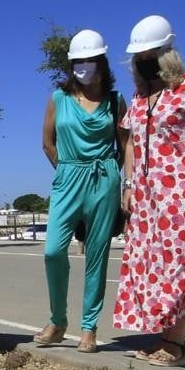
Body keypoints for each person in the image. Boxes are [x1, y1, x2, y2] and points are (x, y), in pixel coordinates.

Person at [113, 15, 185, 367]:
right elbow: (128, 144)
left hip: (184, 192)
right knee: (152, 266)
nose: (144, 62)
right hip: (146, 197)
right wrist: (127, 185)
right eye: (139, 57)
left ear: (167, 53)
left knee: (182, 265)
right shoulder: (140, 97)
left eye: (150, 55)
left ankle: (177, 344)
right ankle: (165, 339)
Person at [34, 30, 127, 353]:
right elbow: (48, 142)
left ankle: (89, 328)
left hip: (104, 177)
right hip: (68, 176)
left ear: (101, 62)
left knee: (97, 254)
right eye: (78, 61)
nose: (84, 66)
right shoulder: (58, 99)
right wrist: (64, 168)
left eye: (89, 60)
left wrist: (121, 182)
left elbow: (125, 145)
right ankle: (58, 320)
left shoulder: (116, 101)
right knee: (53, 251)